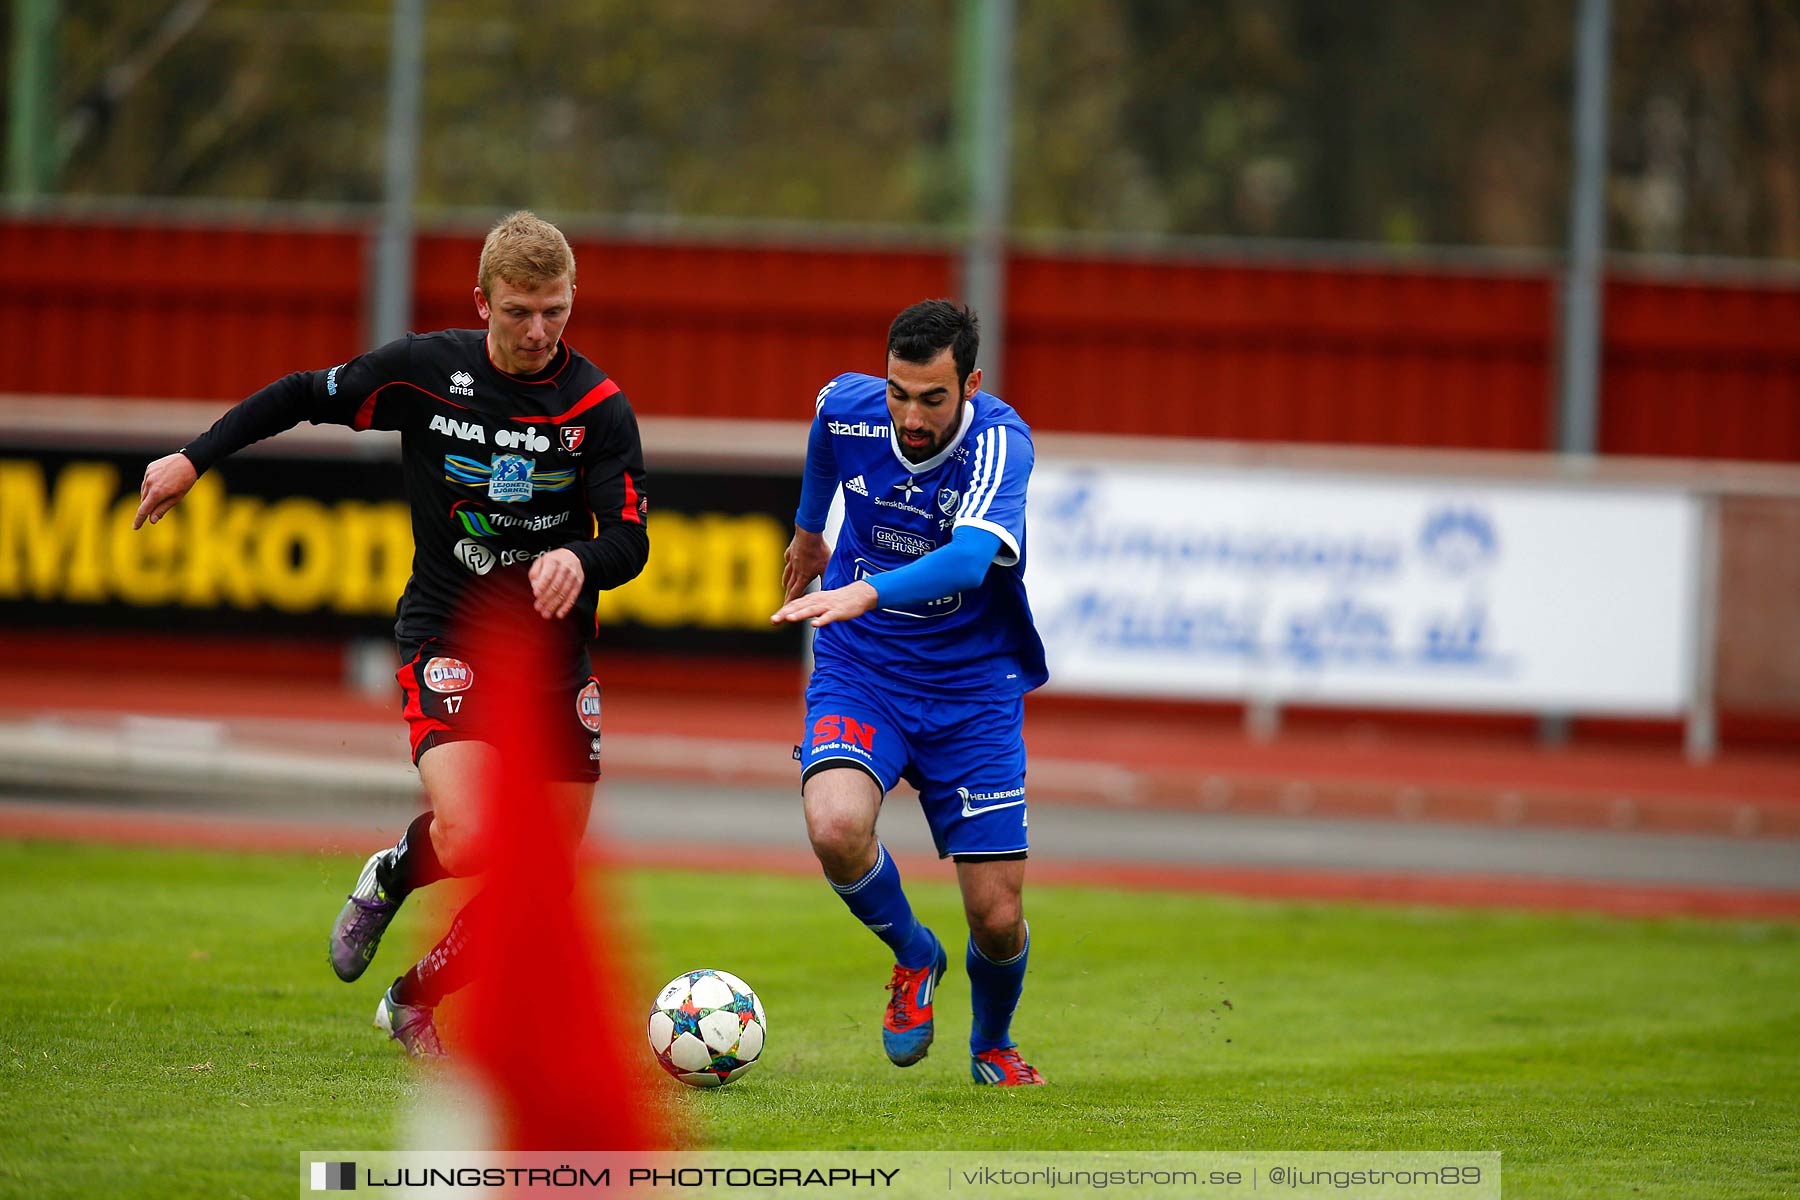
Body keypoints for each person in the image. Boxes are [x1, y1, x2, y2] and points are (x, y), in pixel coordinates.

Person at [134, 211, 649, 1058]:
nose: (538, 330)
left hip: (552, 658)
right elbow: (303, 393)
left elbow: (630, 540)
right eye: (519, 310)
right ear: (481, 302)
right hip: (448, 630)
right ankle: (392, 875)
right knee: (478, 834)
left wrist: (581, 558)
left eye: (555, 310)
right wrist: (194, 458)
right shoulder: (424, 371)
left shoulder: (597, 406)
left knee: (546, 876)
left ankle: (413, 1001)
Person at [771, 299, 1048, 1086]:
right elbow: (827, 428)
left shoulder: (1000, 442)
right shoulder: (852, 405)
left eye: (932, 397)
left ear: (970, 384)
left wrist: (862, 590)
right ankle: (914, 956)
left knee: (997, 918)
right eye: (898, 392)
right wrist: (807, 531)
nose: (910, 415)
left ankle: (991, 1044)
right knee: (833, 823)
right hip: (865, 671)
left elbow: (967, 565)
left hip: (972, 691)